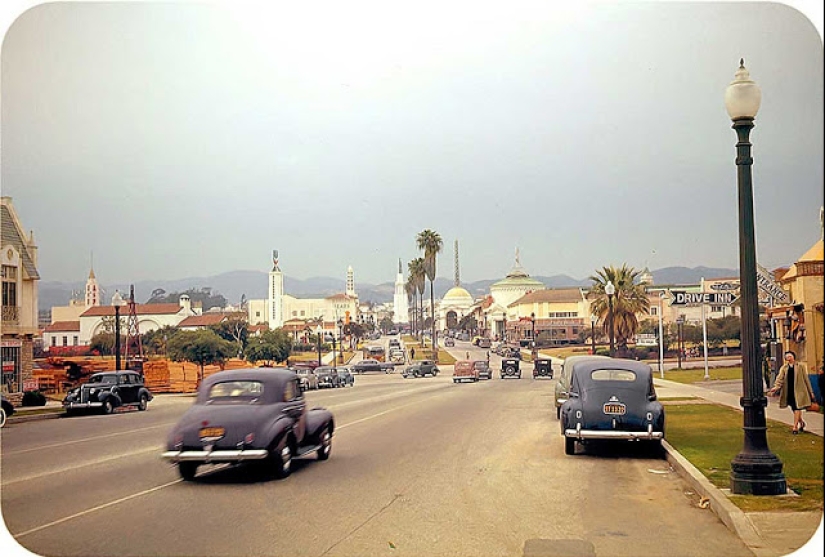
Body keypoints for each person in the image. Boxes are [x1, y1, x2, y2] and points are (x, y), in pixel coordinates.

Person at [768, 351, 815, 434]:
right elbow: (780, 379)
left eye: (790, 356)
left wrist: (810, 392)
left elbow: (806, 379)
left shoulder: (800, 366)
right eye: (787, 357)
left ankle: (795, 427)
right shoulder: (784, 368)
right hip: (789, 391)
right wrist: (775, 388)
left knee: (797, 407)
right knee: (793, 407)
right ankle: (801, 422)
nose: (789, 358)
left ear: (793, 356)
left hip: (799, 391)